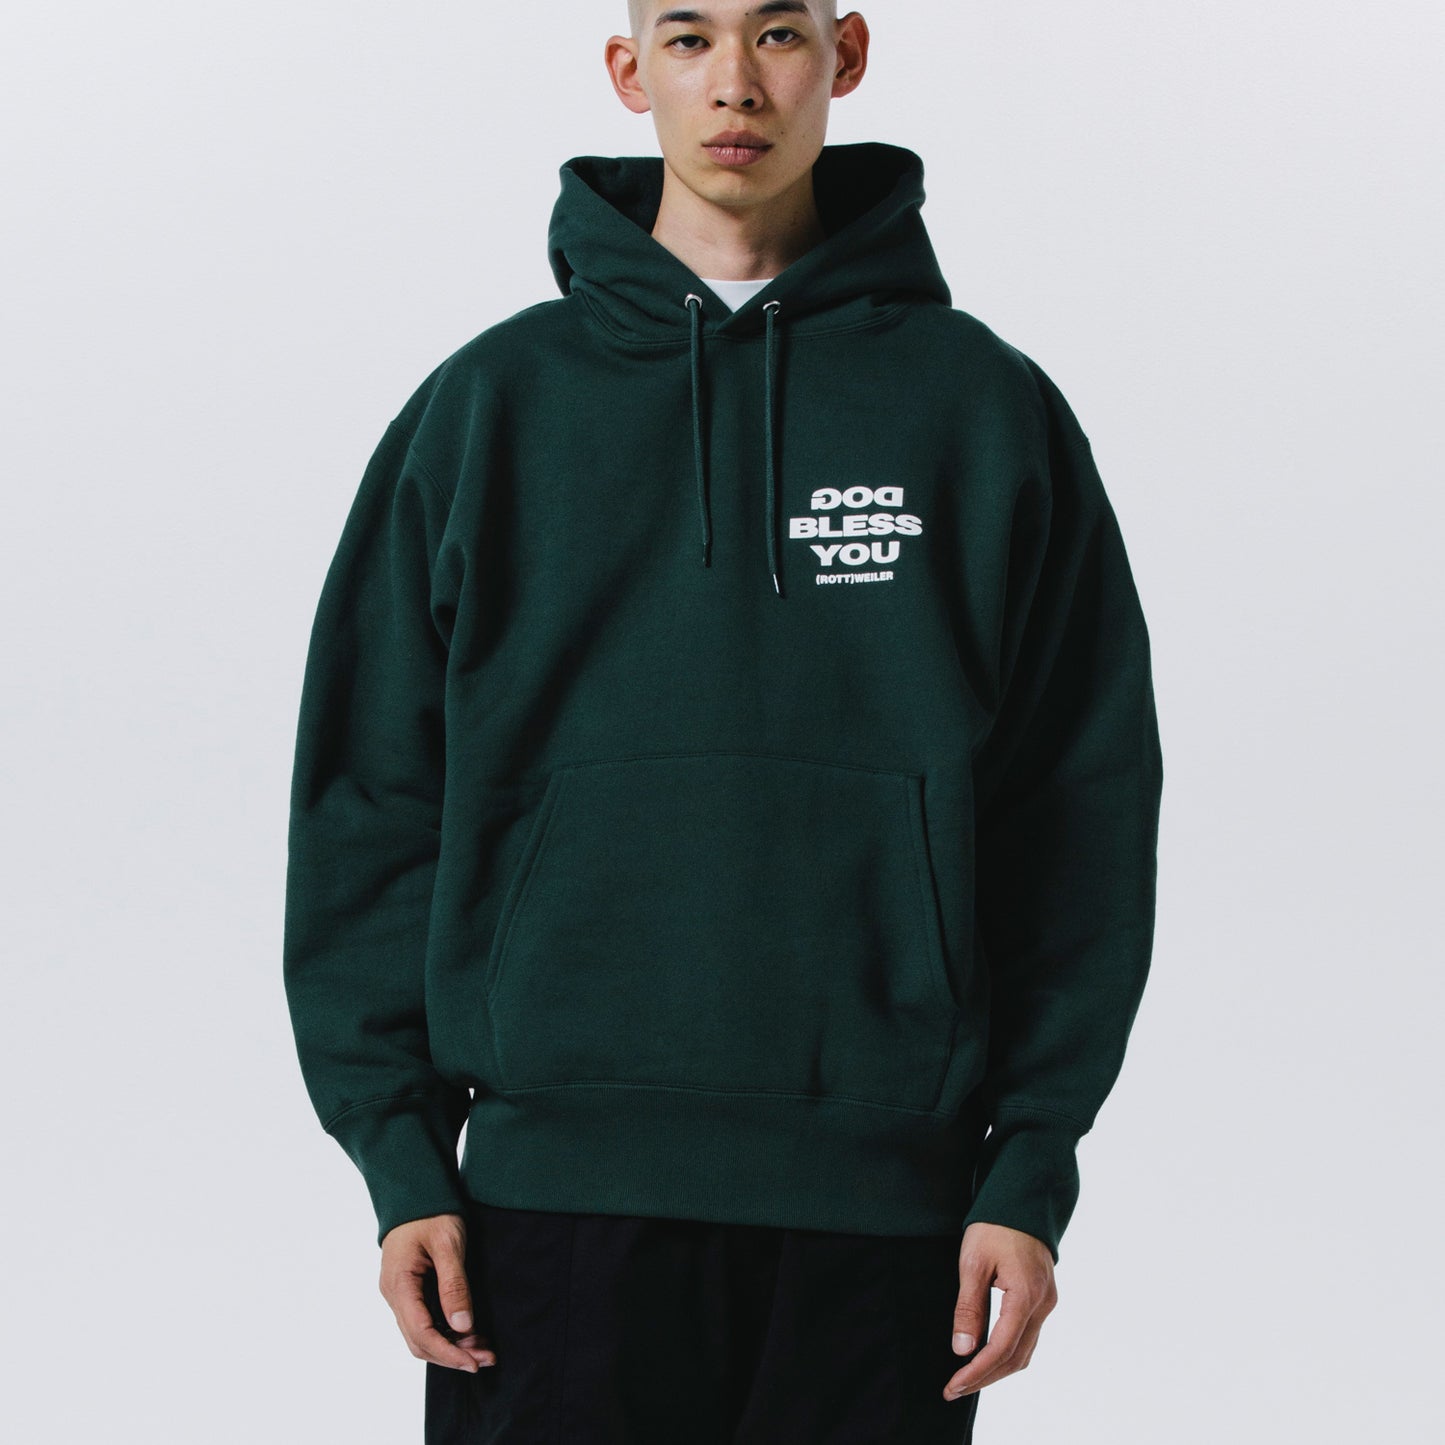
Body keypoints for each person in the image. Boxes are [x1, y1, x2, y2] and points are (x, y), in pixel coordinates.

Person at [281, 2, 1164, 1440]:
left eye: (779, 34)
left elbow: (1077, 811)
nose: (736, 83)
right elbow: (370, 802)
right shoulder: (491, 407)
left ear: (846, 55)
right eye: (688, 36)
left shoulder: (983, 410)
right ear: (628, 70)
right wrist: (400, 1156)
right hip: (545, 1210)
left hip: (887, 1217)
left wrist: (1030, 1165)